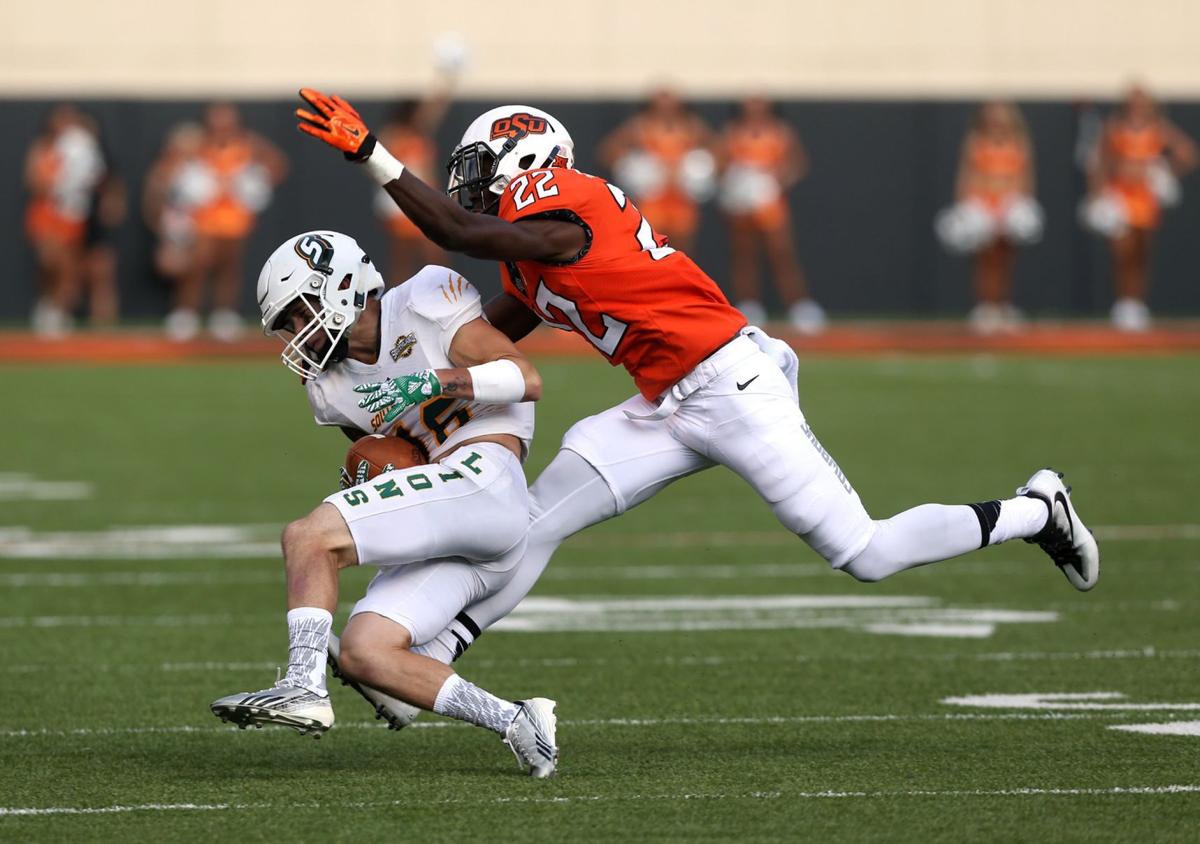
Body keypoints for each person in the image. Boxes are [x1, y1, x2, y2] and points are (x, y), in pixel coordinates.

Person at [293, 89, 1100, 705]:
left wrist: (372, 152)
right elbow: (474, 329)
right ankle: (434, 653)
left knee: (866, 552)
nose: (468, 188)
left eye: (477, 171)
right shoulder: (529, 254)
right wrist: (378, 360)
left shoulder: (568, 201)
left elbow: (458, 233)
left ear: (530, 161)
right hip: (664, 405)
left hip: (730, 385)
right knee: (527, 519)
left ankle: (1037, 512)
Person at [210, 231, 557, 778]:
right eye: (287, 324)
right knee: (364, 654)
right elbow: (396, 456)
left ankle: (303, 685)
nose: (297, 333)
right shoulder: (330, 387)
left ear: (342, 286)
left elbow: (525, 378)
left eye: (300, 313)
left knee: (308, 536)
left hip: (485, 478)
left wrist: (428, 383)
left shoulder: (424, 298)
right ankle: (517, 721)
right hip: (458, 511)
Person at [1081, 85, 1197, 331]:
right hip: (1121, 196)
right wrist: (1098, 196)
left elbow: (1188, 152)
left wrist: (1166, 171)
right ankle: (1123, 303)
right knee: (1122, 252)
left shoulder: (1158, 128)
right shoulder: (1114, 128)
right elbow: (1099, 161)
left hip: (1145, 198)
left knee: (1141, 252)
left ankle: (1137, 304)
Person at [179, 103, 288, 341]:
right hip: (204, 217)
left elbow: (278, 163)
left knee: (229, 268)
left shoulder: (248, 144)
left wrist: (258, 184)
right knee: (198, 266)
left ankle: (223, 316)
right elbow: (175, 165)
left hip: (236, 217)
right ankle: (187, 315)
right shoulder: (197, 144)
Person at [717, 97, 825, 333]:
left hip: (770, 202)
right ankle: (748, 305)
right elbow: (720, 163)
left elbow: (796, 164)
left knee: (782, 253)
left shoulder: (781, 131)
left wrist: (775, 180)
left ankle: (799, 306)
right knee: (744, 254)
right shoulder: (732, 132)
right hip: (742, 202)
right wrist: (737, 179)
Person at [935, 102, 1043, 334]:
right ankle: (985, 306)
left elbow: (1025, 178)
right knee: (985, 259)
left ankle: (1003, 305)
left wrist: (1018, 205)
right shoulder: (975, 142)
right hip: (982, 203)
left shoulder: (1019, 143)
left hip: (1008, 204)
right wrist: (966, 207)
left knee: (1006, 257)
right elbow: (966, 177)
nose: (997, 120)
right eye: (992, 115)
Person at [599, 88, 716, 255]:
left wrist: (698, 168)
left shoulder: (691, 126)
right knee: (651, 244)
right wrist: (632, 168)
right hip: (652, 197)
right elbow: (608, 150)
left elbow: (718, 150)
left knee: (683, 248)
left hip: (682, 196)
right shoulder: (639, 126)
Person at [24, 104, 106, 337]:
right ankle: (47, 304)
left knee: (68, 266)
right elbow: (34, 182)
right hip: (47, 213)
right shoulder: (43, 148)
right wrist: (59, 185)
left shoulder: (83, 146)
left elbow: (96, 178)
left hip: (72, 214)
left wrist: (81, 181)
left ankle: (59, 311)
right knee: (49, 261)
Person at [143, 123, 214, 337]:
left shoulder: (204, 168)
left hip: (200, 226)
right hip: (173, 229)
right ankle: (180, 311)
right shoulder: (164, 169)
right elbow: (153, 201)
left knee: (196, 271)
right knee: (175, 267)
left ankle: (188, 313)